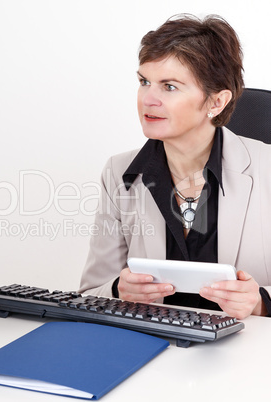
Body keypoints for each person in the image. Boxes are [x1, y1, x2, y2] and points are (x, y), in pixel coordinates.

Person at [79, 14, 271, 320]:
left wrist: (261, 301)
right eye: (144, 82)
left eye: (169, 87)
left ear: (217, 102)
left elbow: (261, 302)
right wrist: (118, 289)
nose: (148, 99)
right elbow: (90, 292)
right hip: (154, 351)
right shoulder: (118, 171)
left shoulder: (267, 168)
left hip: (248, 359)